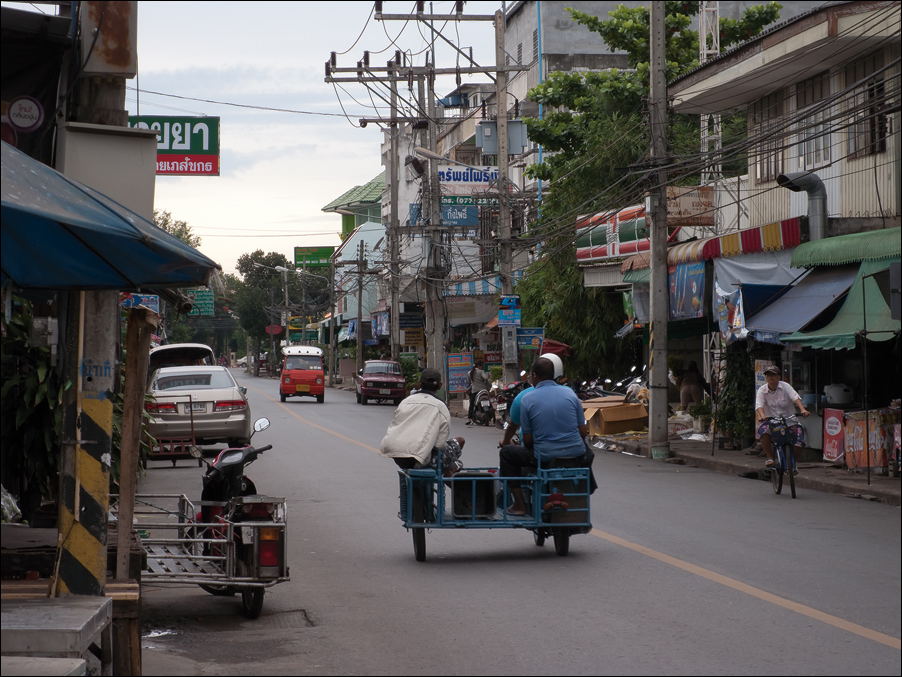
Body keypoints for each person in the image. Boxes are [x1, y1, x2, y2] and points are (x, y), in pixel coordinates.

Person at [499, 357, 595, 515]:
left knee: (506, 453)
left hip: (544, 457)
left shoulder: (527, 399)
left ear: (535, 375)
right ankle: (583, 490)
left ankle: (519, 505)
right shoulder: (570, 394)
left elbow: (528, 441)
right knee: (588, 452)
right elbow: (583, 432)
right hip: (576, 455)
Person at [380, 368, 465, 475]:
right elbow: (440, 444)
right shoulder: (440, 406)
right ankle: (458, 484)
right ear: (440, 386)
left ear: (420, 384)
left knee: (441, 463)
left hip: (398, 457)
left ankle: (449, 471)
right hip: (420, 458)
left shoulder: (405, 402)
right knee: (459, 441)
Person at [755, 364, 810, 474]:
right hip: (770, 420)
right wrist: (762, 416)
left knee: (799, 441)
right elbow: (759, 405)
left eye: (773, 375)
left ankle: (793, 464)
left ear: (779, 377)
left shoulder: (785, 386)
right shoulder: (762, 390)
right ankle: (770, 458)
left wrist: (802, 409)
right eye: (768, 375)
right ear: (765, 378)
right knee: (762, 431)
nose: (771, 377)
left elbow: (795, 397)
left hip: (789, 419)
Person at [466, 359, 491, 425]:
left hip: (475, 391)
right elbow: (485, 378)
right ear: (479, 365)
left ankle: (469, 418)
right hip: (484, 389)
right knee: (489, 401)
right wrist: (487, 383)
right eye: (482, 365)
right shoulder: (481, 372)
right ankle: (492, 415)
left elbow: (468, 382)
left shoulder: (470, 373)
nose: (482, 367)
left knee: (471, 404)